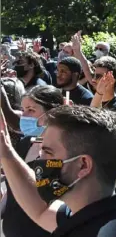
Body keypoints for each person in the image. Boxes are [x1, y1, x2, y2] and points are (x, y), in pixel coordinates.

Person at [0, 105, 116, 237]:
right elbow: (42, 211)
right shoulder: (107, 209)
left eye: (48, 152)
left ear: (83, 165)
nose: (40, 158)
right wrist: (5, 150)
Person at [2, 85, 64, 237]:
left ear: (51, 113)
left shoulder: (65, 152)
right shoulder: (25, 143)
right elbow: (13, 190)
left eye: (31, 110)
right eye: (23, 110)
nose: (24, 116)